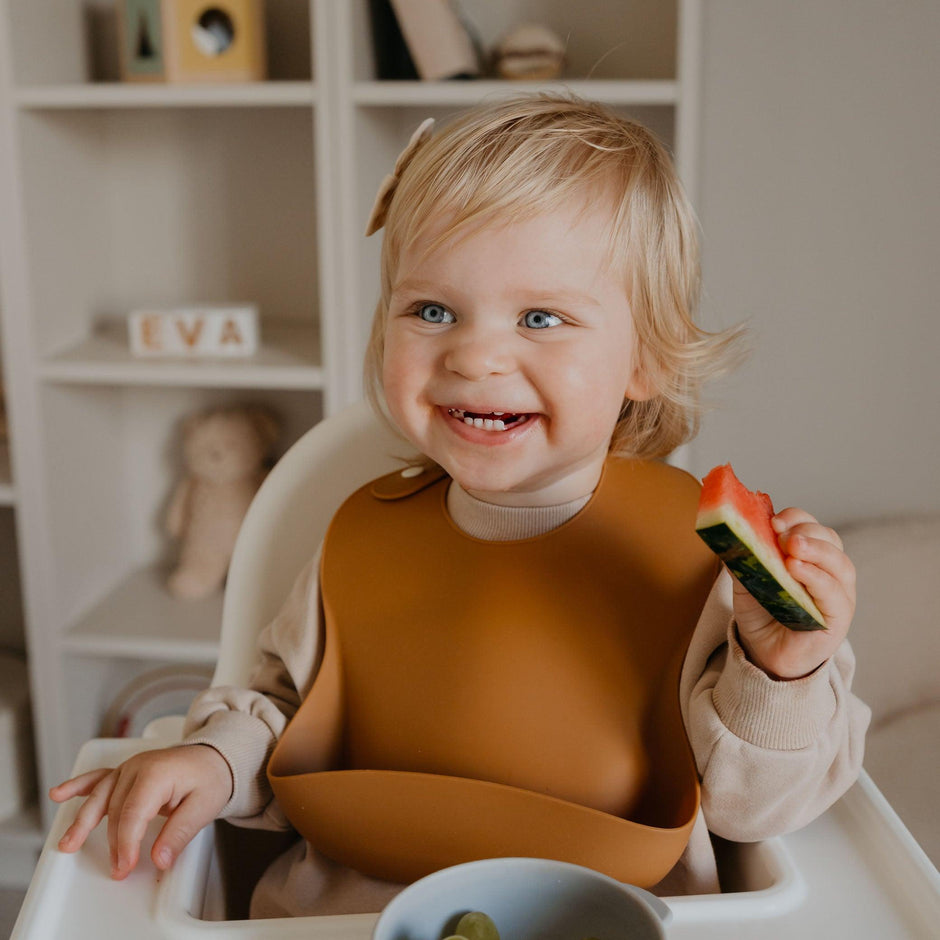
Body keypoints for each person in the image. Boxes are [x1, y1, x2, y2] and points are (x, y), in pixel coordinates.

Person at [50, 93, 869, 917]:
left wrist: (781, 670)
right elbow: (283, 708)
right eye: (432, 310)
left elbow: (756, 812)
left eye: (541, 317)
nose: (475, 355)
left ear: (646, 359)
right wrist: (213, 763)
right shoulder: (363, 535)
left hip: (607, 922)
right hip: (346, 919)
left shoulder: (701, 566)